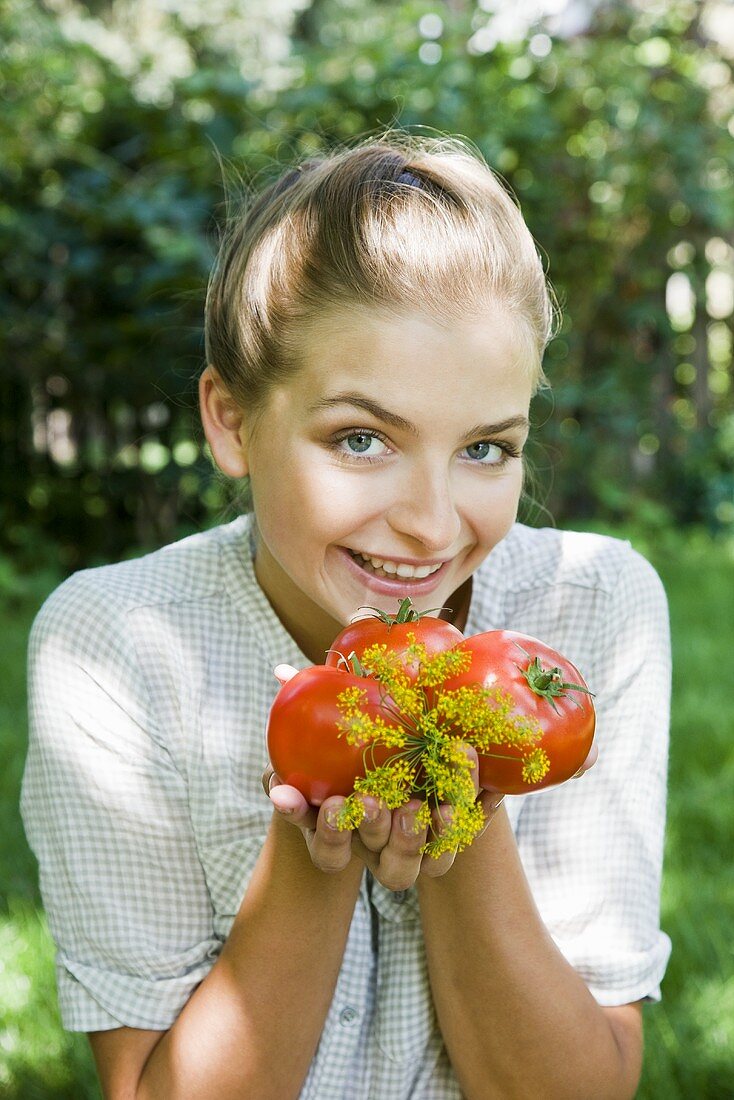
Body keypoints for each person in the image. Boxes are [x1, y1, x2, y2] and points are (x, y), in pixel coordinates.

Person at [21, 131, 671, 1099]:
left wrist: (463, 798)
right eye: (362, 438)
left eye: (487, 448)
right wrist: (309, 847)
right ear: (231, 419)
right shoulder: (116, 642)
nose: (430, 521)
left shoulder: (592, 605)